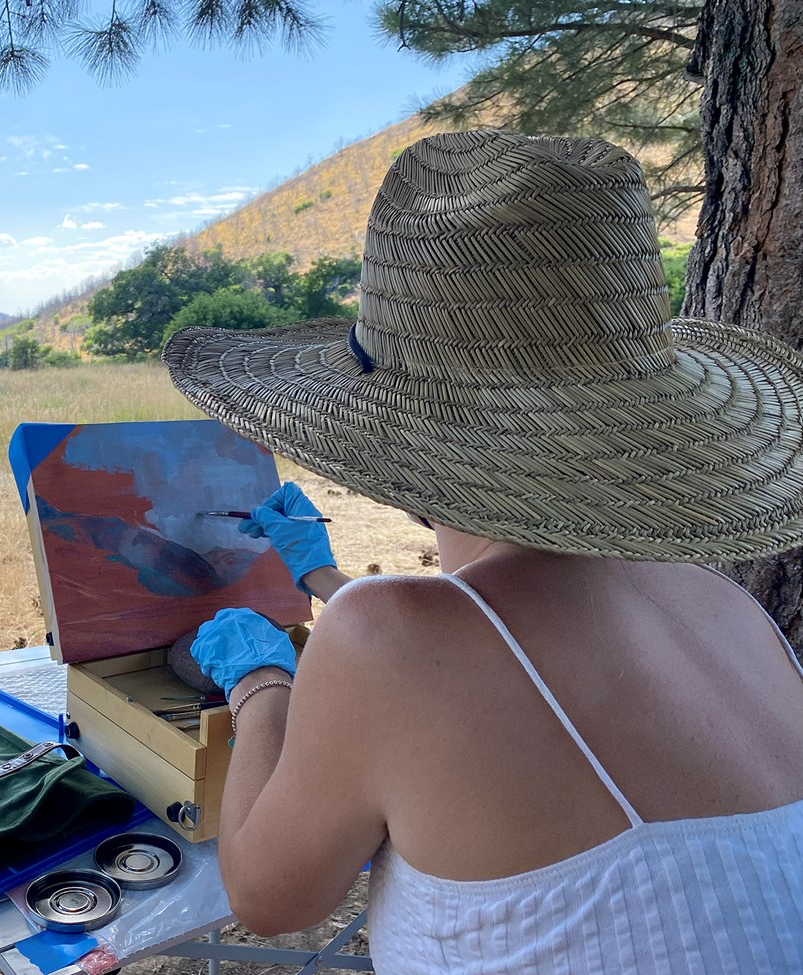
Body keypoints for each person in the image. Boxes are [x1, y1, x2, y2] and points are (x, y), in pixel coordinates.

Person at [161, 130, 803, 973]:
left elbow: (267, 896)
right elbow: (516, 661)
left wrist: (261, 684)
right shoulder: (722, 604)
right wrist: (319, 573)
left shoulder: (382, 636)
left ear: (385, 426)